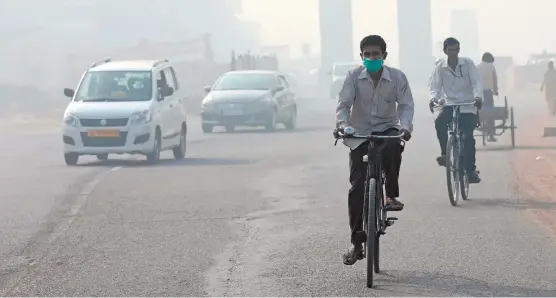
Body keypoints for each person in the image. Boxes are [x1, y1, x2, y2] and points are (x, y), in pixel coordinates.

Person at [334, 35, 414, 265]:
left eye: (375, 54)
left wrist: (406, 127)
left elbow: (407, 105)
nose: (371, 58)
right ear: (361, 56)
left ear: (384, 56)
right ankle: (356, 243)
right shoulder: (353, 77)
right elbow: (343, 105)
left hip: (387, 128)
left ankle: (390, 195)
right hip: (358, 132)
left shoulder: (397, 77)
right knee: (357, 187)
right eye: (367, 54)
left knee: (392, 145)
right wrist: (342, 126)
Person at [429, 37, 483, 183]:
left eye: (456, 50)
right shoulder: (440, 67)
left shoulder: (468, 64)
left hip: (467, 104)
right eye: (450, 50)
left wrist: (478, 98)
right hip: (449, 104)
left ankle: (470, 169)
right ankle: (445, 154)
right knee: (439, 122)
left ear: (459, 50)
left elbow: (476, 82)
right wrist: (433, 99)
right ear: (445, 51)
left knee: (468, 138)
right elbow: (435, 87)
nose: (454, 53)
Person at [477, 52, 499, 142]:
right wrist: (495, 90)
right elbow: (494, 79)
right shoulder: (491, 67)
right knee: (490, 112)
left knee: (480, 110)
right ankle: (490, 134)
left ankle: (480, 123)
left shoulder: (477, 67)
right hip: (487, 93)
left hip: (477, 94)